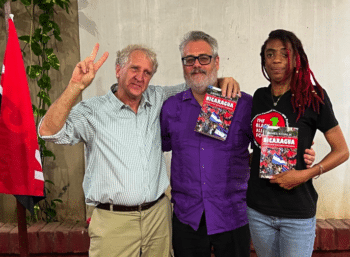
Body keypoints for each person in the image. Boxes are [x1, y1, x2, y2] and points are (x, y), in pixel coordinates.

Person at [38, 43, 239, 257]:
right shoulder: (92, 111)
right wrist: (75, 86)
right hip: (113, 222)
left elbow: (196, 84)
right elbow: (49, 131)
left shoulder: (157, 97)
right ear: (118, 70)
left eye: (147, 73)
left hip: (157, 219)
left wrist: (221, 80)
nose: (140, 77)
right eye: (134, 69)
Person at [248, 29, 349, 257]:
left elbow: (342, 151)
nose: (276, 60)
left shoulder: (313, 98)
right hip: (258, 209)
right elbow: (255, 147)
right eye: (270, 54)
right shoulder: (258, 97)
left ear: (296, 59)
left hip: (297, 211)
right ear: (263, 59)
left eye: (285, 54)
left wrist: (307, 173)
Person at [160, 30, 251, 257]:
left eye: (204, 58)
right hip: (187, 217)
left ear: (217, 61)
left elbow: (266, 149)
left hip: (231, 216)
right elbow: (157, 146)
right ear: (183, 65)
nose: (196, 65)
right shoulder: (171, 107)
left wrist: (303, 157)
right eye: (189, 60)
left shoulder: (243, 104)